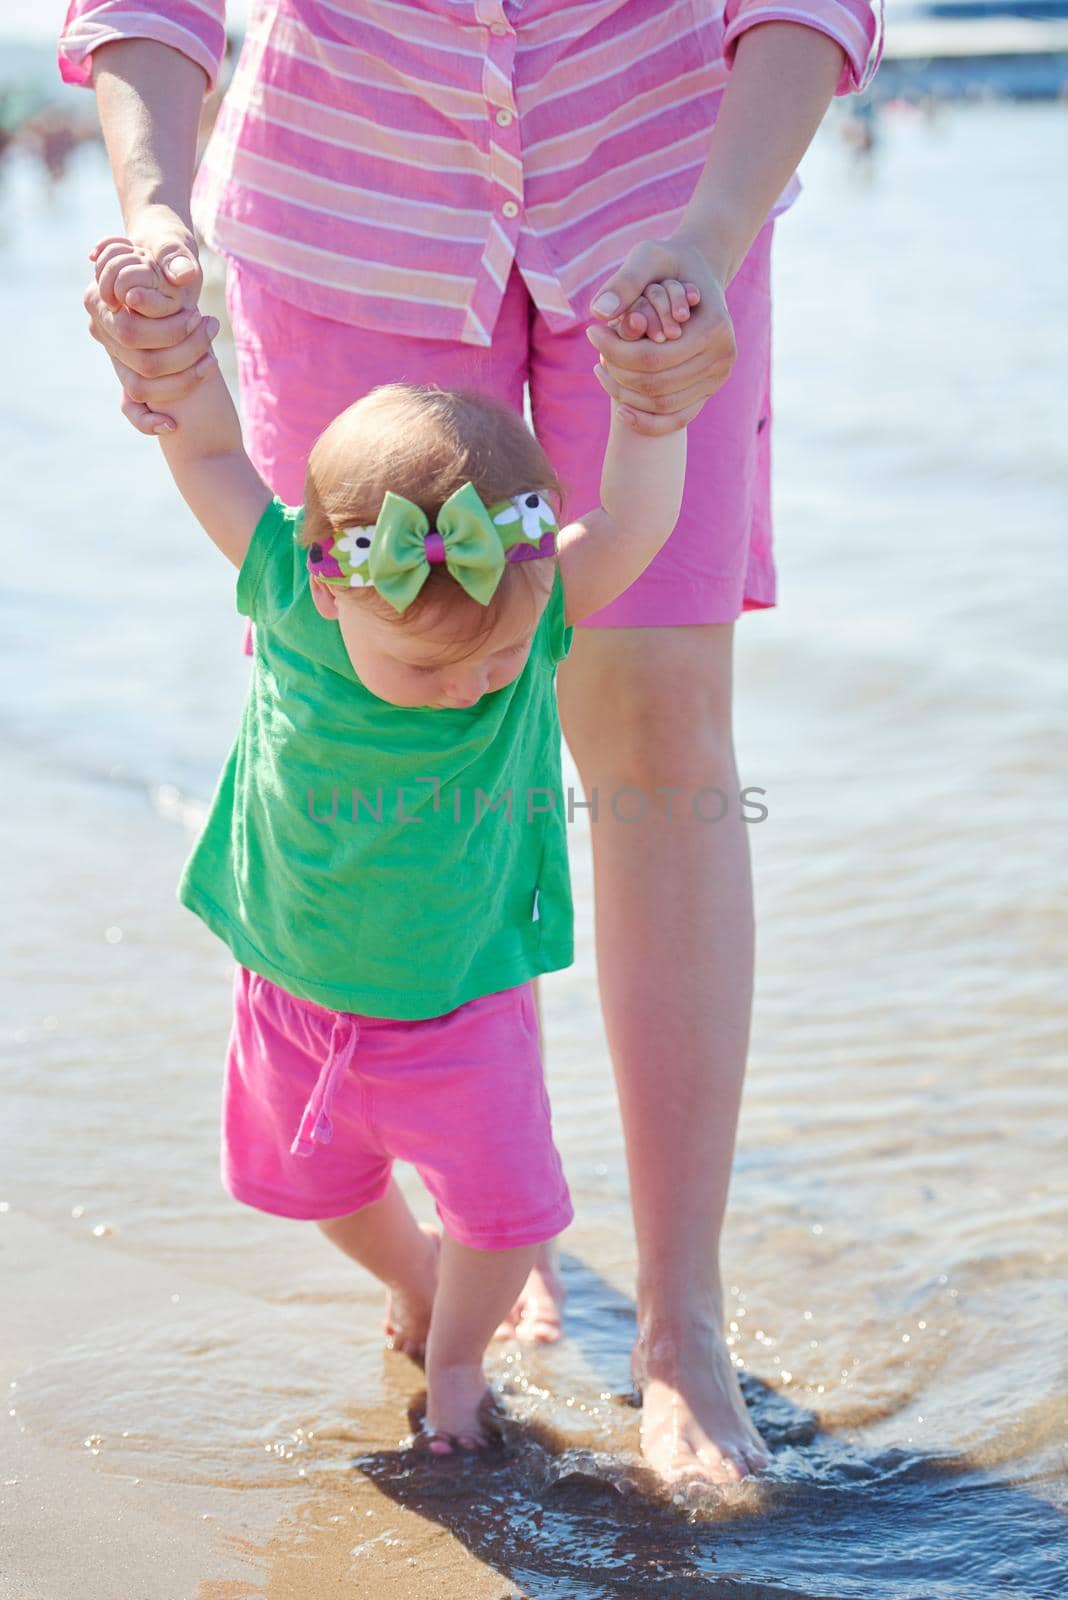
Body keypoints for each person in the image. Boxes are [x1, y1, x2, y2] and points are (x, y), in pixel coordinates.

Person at [60, 0, 884, 1485]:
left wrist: (711, 236)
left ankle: (677, 1322)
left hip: (660, 202)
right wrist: (154, 221)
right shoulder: (296, 560)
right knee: (363, 691)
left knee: (660, 731)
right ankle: (479, 1216)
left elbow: (625, 526)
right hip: (343, 188)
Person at [88, 230, 701, 1456]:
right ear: (327, 586)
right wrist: (172, 330)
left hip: (460, 993)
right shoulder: (285, 580)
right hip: (291, 984)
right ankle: (415, 1282)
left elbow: (633, 522)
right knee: (312, 1188)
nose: (479, 685)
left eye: (503, 658)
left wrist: (648, 402)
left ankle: (464, 1353)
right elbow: (210, 446)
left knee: (511, 1213)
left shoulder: (526, 601)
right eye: (434, 664)